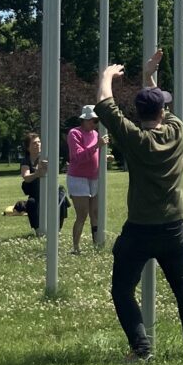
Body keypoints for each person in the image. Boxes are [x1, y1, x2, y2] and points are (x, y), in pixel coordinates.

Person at [92, 50, 183, 361]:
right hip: (173, 226)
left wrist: (107, 75)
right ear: (163, 110)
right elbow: (162, 110)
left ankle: (141, 349)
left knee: (122, 291)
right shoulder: (177, 131)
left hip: (140, 229)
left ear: (139, 112)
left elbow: (104, 104)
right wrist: (148, 78)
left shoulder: (134, 138)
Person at [66, 103, 104, 253]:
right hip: (78, 178)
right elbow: (78, 156)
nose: (95, 124)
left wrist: (104, 156)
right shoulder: (74, 133)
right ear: (85, 120)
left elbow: (94, 154)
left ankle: (97, 245)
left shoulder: (96, 135)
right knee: (83, 214)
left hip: (94, 177)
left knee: (95, 213)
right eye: (93, 121)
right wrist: (96, 147)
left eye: (96, 121)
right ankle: (76, 247)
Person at [8, 131, 47, 233]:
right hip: (35, 192)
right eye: (34, 143)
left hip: (48, 191)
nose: (37, 144)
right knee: (32, 203)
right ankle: (38, 230)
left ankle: (57, 229)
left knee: (61, 198)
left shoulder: (45, 157)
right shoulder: (26, 161)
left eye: (39, 142)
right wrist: (37, 174)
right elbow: (26, 177)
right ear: (28, 147)